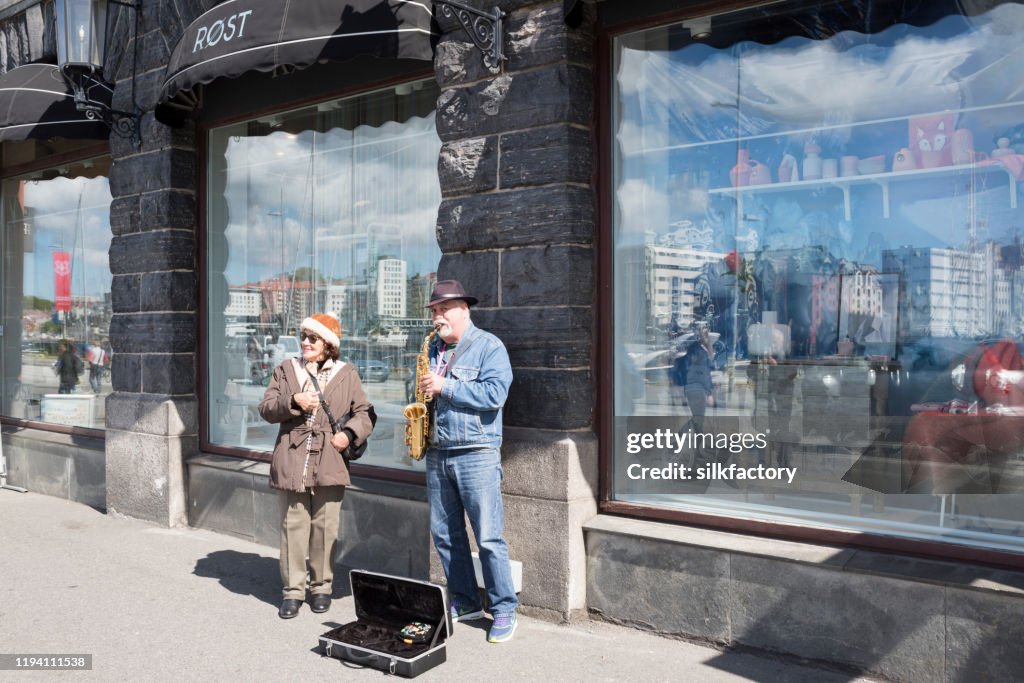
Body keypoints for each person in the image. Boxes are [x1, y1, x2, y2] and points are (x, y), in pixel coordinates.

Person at [418, 280, 518, 643]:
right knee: (445, 534)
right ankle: (465, 600)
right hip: (438, 449)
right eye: (434, 311)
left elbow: (495, 395)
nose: (438, 316)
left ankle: (504, 608)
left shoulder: (489, 346)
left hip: (476, 451)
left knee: (489, 536)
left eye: (444, 309)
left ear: (464, 309)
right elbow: (426, 392)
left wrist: (446, 387)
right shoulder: (432, 349)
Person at [258, 313, 374, 619]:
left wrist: (348, 435)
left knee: (325, 527)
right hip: (292, 456)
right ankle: (292, 592)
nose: (306, 342)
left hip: (330, 458)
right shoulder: (285, 369)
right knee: (293, 526)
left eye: (314, 337)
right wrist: (293, 401)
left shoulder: (346, 374)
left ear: (329, 344)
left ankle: (321, 587)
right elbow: (267, 408)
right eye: (304, 336)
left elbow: (364, 413)